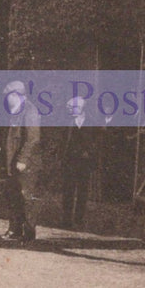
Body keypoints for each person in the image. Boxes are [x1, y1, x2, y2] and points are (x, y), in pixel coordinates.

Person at [1, 80, 42, 242]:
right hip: (13, 163)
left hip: (26, 164)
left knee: (26, 198)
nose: (6, 99)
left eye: (8, 96)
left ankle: (29, 233)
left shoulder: (30, 110)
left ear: (16, 95)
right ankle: (15, 230)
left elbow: (33, 139)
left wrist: (23, 159)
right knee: (13, 196)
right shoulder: (14, 111)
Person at [59, 96, 100, 230]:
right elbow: (62, 142)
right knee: (68, 191)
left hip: (84, 163)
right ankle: (66, 220)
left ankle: (79, 219)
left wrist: (90, 153)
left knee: (83, 192)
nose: (71, 110)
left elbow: (97, 142)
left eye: (74, 108)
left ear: (82, 108)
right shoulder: (67, 123)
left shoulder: (92, 124)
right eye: (70, 108)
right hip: (70, 162)